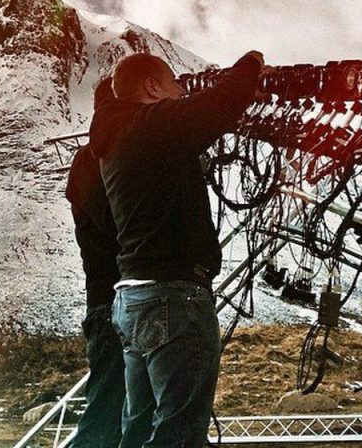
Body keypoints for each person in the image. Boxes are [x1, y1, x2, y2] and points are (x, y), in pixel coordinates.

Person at [88, 50, 264, 447]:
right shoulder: (148, 126)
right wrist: (252, 64)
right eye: (174, 84)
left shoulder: (116, 137)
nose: (182, 91)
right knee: (180, 434)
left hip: (133, 299)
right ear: (152, 87)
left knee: (138, 428)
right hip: (172, 297)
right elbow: (221, 103)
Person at [65, 77, 125, 448]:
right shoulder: (92, 161)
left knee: (116, 415)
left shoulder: (92, 159)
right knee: (104, 419)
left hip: (110, 303)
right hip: (111, 304)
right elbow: (121, 225)